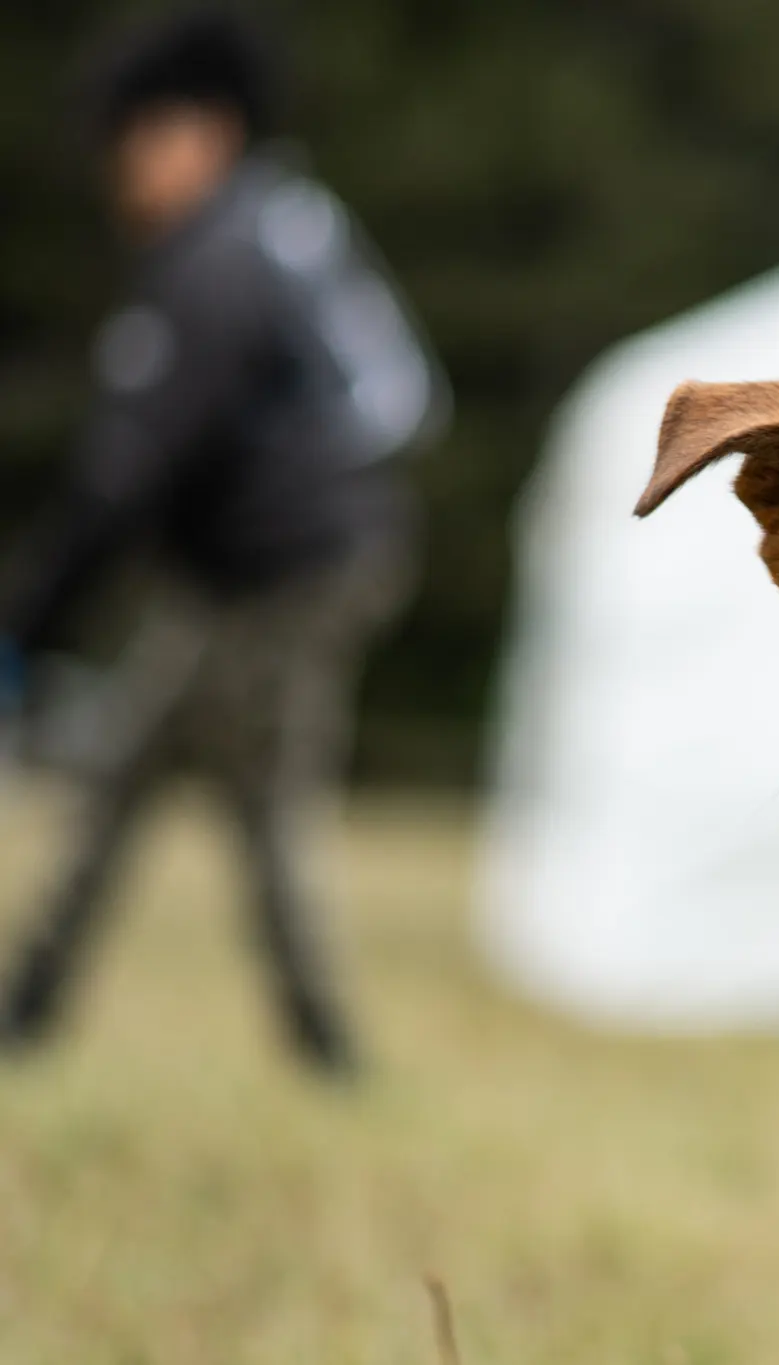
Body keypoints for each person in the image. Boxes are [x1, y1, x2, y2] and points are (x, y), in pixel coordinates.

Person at [0, 12, 445, 1076]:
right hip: (257, 570)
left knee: (260, 800)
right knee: (131, 775)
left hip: (289, 575)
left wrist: (25, 620)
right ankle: (32, 1009)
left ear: (201, 131)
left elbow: (132, 467)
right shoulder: (280, 226)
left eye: (136, 140)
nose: (122, 173)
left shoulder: (217, 262)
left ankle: (326, 1048)